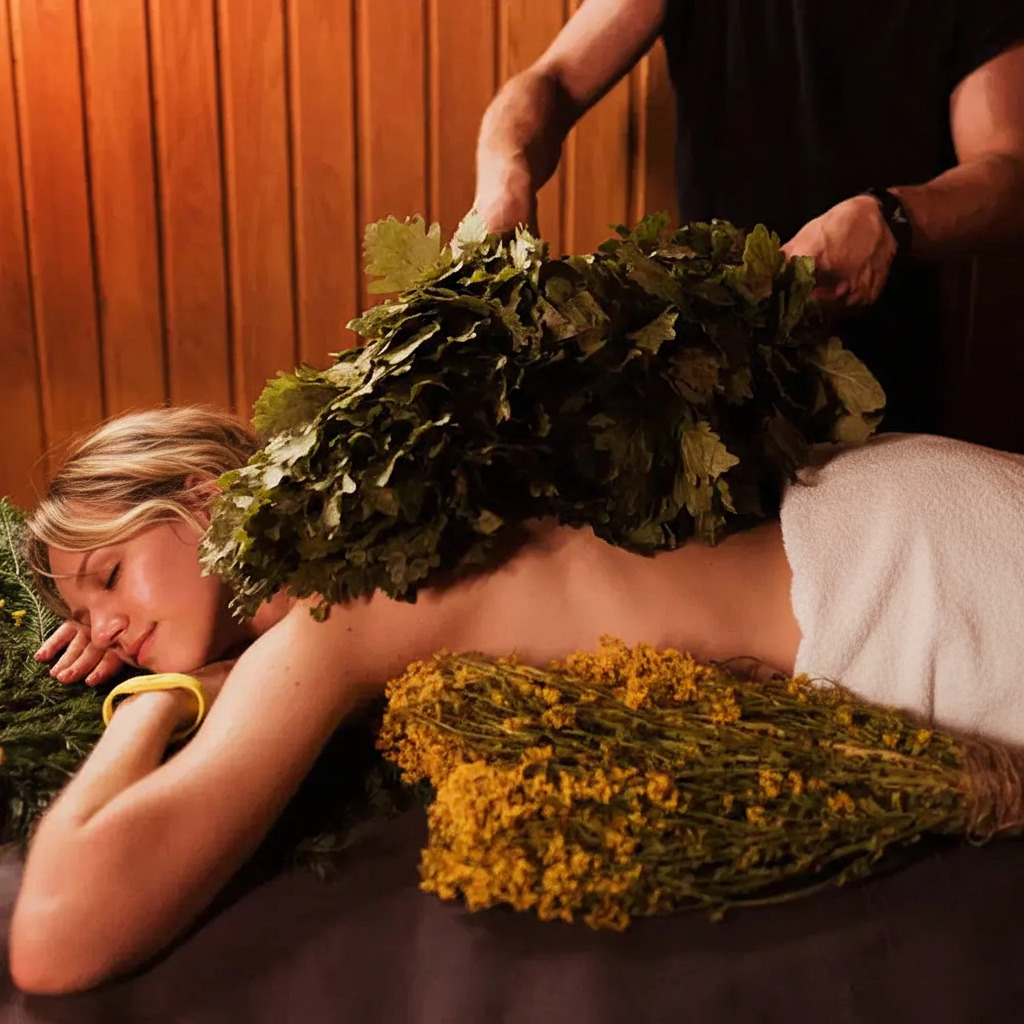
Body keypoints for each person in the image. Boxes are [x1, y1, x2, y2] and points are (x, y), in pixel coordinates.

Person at [11, 406, 1024, 993]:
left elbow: (57, 934)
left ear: (198, 494)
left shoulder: (337, 606)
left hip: (910, 591)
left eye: (108, 577)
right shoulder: (378, 476)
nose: (103, 629)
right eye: (81, 615)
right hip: (897, 503)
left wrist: (155, 699)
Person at [472, 0, 1024, 432]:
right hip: (704, 359)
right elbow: (552, 80)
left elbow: (1009, 170)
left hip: (878, 381)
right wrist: (505, 177)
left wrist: (890, 218)